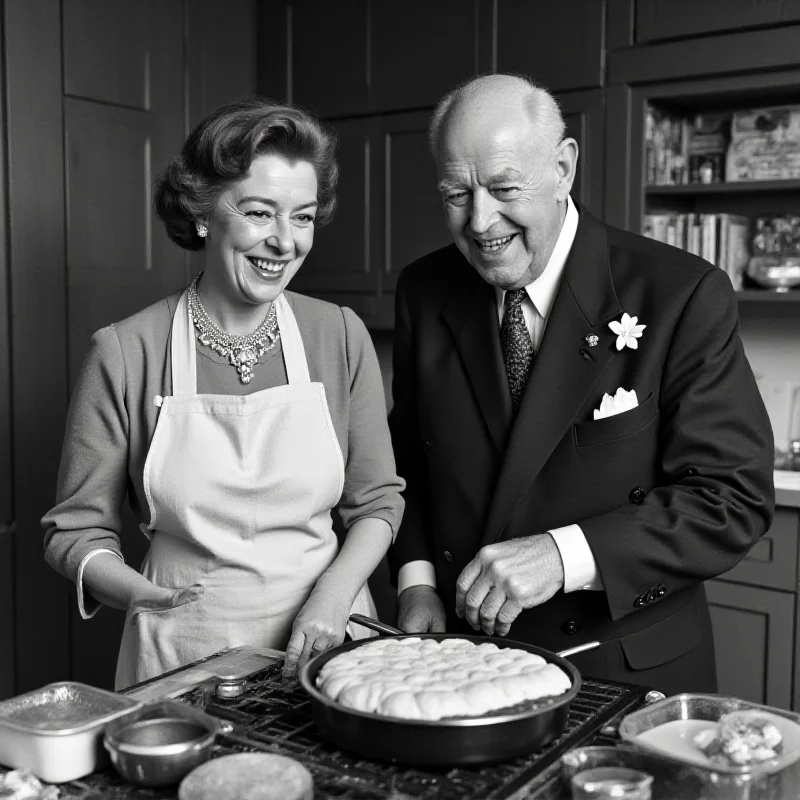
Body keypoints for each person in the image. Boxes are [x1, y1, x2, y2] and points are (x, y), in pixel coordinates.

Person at [387, 74, 774, 696]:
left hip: (621, 675)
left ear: (564, 167)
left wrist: (562, 555)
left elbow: (732, 498)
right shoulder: (424, 291)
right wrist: (417, 585)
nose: (480, 221)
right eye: (456, 193)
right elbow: (407, 464)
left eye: (504, 188)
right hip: (460, 664)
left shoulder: (680, 293)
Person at [42, 97, 404, 690]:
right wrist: (145, 596)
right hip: (183, 647)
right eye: (261, 213)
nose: (285, 242)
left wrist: (334, 598)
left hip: (332, 641)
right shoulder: (126, 350)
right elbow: (75, 533)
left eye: (304, 217)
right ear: (204, 213)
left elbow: (378, 503)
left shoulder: (338, 334)